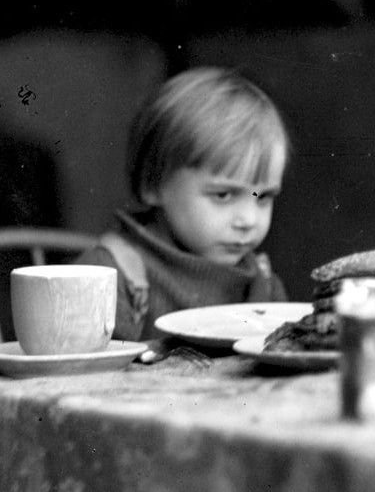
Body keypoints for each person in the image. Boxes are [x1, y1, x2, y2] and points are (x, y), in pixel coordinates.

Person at [78, 66, 289, 341]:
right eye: (223, 195)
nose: (249, 220)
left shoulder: (263, 284)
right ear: (153, 184)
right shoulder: (113, 276)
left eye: (263, 197)